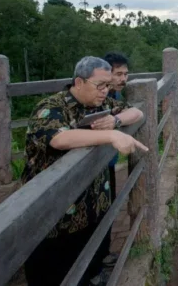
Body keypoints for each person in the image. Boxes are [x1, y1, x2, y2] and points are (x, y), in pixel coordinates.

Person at [21, 56, 147, 286]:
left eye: (108, 86)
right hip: (54, 217)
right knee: (52, 273)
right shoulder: (50, 108)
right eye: (100, 85)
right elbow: (58, 139)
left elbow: (137, 113)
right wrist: (110, 135)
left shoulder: (102, 105)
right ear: (79, 83)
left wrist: (115, 121)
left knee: (87, 265)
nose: (105, 91)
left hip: (90, 208)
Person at [98, 52, 130, 271]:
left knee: (106, 208)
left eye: (125, 74)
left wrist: (117, 120)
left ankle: (103, 255)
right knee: (95, 214)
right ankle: (94, 266)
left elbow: (132, 113)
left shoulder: (114, 96)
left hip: (107, 161)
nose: (123, 79)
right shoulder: (98, 96)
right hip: (94, 163)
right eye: (118, 74)